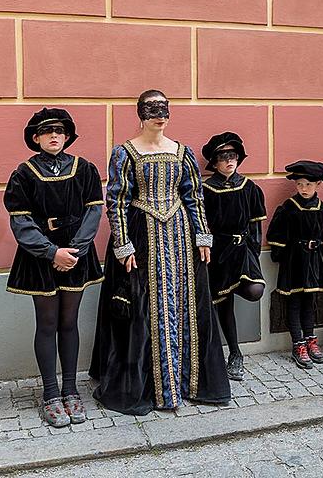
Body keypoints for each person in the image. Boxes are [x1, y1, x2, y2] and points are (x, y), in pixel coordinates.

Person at [90, 90, 230, 415]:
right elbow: (117, 200)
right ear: (140, 112)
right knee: (144, 305)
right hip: (142, 235)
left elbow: (194, 196)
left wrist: (203, 237)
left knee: (185, 304)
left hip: (180, 234)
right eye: (153, 109)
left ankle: (186, 383)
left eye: (164, 108)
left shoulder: (183, 152)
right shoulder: (124, 153)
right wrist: (123, 244)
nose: (160, 115)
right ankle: (152, 387)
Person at [3, 108, 105, 427]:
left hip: (76, 254)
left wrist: (75, 250)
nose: (54, 136)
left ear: (67, 135)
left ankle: (71, 390)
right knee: (47, 323)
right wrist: (51, 252)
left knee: (69, 322)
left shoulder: (84, 169)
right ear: (36, 138)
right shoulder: (24, 173)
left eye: (59, 131)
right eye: (47, 131)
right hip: (41, 258)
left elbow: (93, 212)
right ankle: (50, 393)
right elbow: (21, 221)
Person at [201, 132, 266, 381]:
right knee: (223, 302)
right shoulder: (206, 190)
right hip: (218, 253)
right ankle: (234, 354)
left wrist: (254, 252)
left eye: (233, 156)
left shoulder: (249, 187)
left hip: (243, 251)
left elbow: (256, 225)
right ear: (214, 162)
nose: (229, 161)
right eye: (223, 157)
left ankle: (233, 287)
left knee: (254, 291)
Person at [267, 161, 323, 369]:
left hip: (312, 264)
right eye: (300, 184)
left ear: (318, 184)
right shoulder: (289, 208)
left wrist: (313, 254)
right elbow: (276, 234)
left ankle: (310, 339)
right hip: (293, 261)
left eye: (308, 185)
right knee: (293, 302)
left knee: (309, 302)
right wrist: (283, 255)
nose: (304, 189)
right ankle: (298, 343)